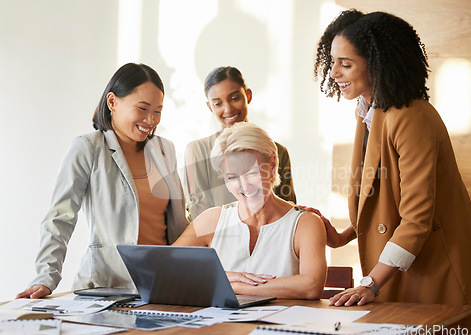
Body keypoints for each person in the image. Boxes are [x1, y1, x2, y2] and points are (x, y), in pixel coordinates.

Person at [312, 9, 471, 328]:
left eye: (345, 64)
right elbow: (377, 194)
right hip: (404, 269)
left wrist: (370, 284)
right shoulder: (368, 110)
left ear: (377, 63)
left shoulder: (412, 117)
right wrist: (344, 235)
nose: (334, 73)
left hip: (439, 271)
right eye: (333, 62)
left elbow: (416, 219)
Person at [17, 63, 187, 299]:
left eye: (157, 111)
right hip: (107, 286)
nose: (150, 120)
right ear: (112, 102)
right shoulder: (87, 147)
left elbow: (178, 224)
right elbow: (60, 217)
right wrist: (47, 276)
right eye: (142, 108)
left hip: (162, 285)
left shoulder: (164, 149)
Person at [175, 122, 326, 299]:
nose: (244, 186)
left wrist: (236, 287)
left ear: (272, 166)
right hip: (221, 326)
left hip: (281, 326)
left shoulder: (305, 224)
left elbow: (311, 286)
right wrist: (225, 277)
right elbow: (165, 268)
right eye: (232, 177)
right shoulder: (212, 220)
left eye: (252, 172)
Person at [184, 66, 296, 220]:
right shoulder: (198, 150)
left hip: (269, 239)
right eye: (218, 104)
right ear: (210, 107)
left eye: (235, 98)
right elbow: (199, 216)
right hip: (217, 241)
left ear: (248, 95)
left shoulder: (278, 151)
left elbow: (287, 211)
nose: (228, 109)